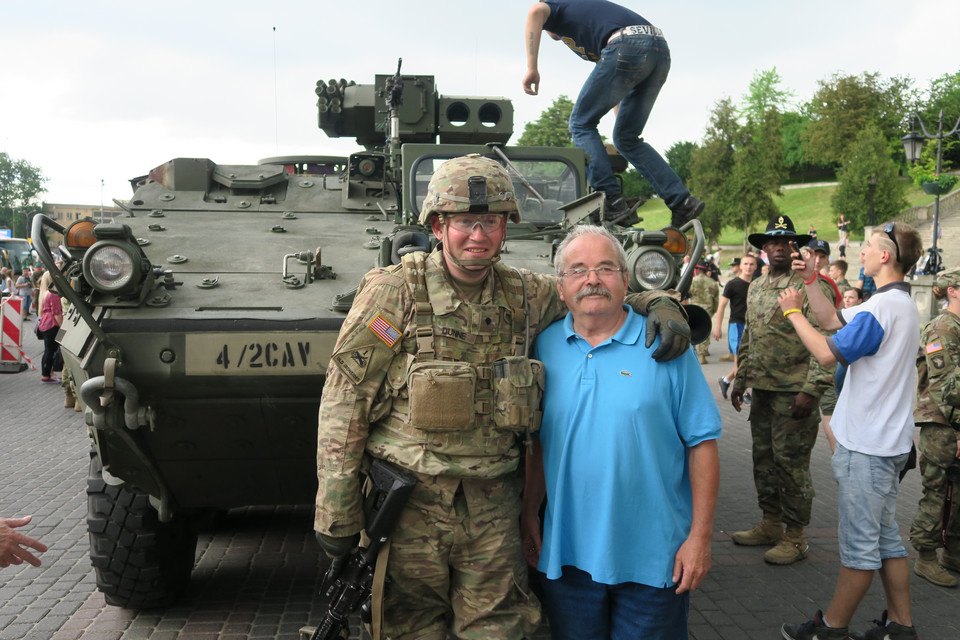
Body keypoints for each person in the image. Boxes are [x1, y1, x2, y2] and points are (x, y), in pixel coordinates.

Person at [312, 155, 691, 640]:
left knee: (500, 631)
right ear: (438, 225)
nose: (478, 235)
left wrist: (656, 301)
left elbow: (594, 292)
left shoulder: (525, 295)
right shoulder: (395, 297)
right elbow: (347, 398)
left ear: (505, 226)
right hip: (409, 510)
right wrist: (338, 509)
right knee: (408, 628)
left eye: (490, 221)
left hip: (493, 511)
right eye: (465, 221)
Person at [521, 225, 721, 640]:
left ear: (626, 282)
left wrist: (700, 538)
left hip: (654, 559)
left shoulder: (666, 346)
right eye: (578, 270)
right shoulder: (543, 348)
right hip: (568, 558)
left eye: (606, 268)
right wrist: (528, 513)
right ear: (560, 288)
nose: (592, 279)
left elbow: (701, 444)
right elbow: (541, 444)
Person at [778, 221, 924, 640]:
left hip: (868, 449)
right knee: (885, 542)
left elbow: (825, 351)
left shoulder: (882, 309)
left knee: (860, 551)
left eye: (868, 246)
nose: (860, 251)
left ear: (885, 256)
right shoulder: (895, 303)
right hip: (886, 445)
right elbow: (830, 317)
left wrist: (791, 312)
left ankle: (831, 629)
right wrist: (809, 282)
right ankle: (900, 626)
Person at [522, 0, 704, 228]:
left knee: (581, 124)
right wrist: (622, 125)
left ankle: (610, 199)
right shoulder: (588, 22)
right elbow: (619, 87)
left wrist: (531, 68)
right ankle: (682, 201)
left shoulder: (556, 6)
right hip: (658, 51)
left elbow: (535, 11)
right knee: (627, 138)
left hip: (627, 44)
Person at [729, 215, 834, 565]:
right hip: (762, 390)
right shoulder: (757, 286)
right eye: (771, 241)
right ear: (762, 249)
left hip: (794, 393)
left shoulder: (809, 285)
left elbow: (827, 338)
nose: (778, 246)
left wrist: (812, 389)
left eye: (786, 241)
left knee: (791, 465)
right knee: (764, 461)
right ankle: (771, 523)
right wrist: (740, 378)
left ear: (795, 246)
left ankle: (796, 535)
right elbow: (750, 335)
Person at [909, 267, 960, 588]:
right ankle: (926, 557)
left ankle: (953, 551)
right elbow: (946, 387)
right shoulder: (943, 328)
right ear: (953, 289)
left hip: (954, 422)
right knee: (937, 491)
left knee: (958, 493)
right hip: (942, 423)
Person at [714, 254, 757, 395]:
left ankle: (726, 380)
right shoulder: (732, 284)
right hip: (736, 326)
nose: (748, 267)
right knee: (740, 362)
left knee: (747, 362)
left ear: (755, 266)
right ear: (741, 266)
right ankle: (743, 393)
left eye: (751, 264)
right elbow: (721, 306)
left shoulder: (757, 284)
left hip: (753, 326)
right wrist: (718, 327)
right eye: (746, 264)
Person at [689, 260, 719, 364]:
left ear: (697, 270)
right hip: (707, 309)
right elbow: (716, 299)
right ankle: (703, 355)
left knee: (692, 328)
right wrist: (714, 310)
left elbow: (687, 295)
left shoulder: (692, 281)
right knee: (705, 330)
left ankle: (693, 349)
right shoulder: (712, 282)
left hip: (694, 308)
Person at [37, 271, 64, 383]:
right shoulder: (53, 294)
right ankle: (47, 375)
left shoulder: (44, 293)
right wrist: (63, 328)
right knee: (51, 351)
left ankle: (47, 373)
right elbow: (57, 313)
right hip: (53, 325)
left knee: (48, 350)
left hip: (45, 324)